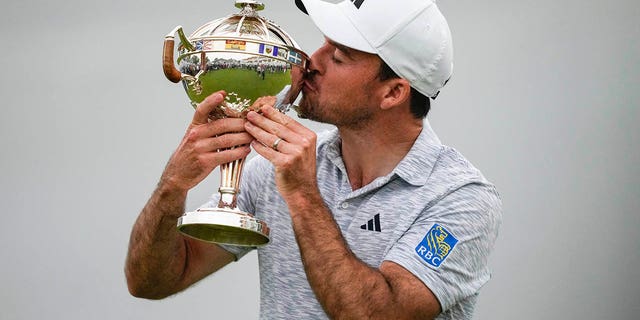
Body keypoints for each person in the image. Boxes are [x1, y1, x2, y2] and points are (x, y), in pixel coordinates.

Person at [125, 0, 502, 319]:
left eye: (338, 56)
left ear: (393, 92)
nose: (311, 61)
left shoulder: (462, 199)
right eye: (323, 44)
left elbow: (377, 313)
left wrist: (304, 195)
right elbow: (152, 281)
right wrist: (172, 187)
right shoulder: (275, 167)